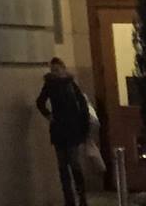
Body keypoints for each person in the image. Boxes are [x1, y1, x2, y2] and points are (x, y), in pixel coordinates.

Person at [35, 56, 93, 206]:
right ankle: (70, 199)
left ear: (63, 69)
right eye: (53, 70)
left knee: (74, 163)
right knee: (63, 166)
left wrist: (84, 127)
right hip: (60, 130)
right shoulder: (50, 85)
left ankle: (81, 197)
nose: (55, 72)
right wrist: (49, 116)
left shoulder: (71, 84)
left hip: (71, 129)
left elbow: (82, 105)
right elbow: (40, 102)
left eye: (57, 69)